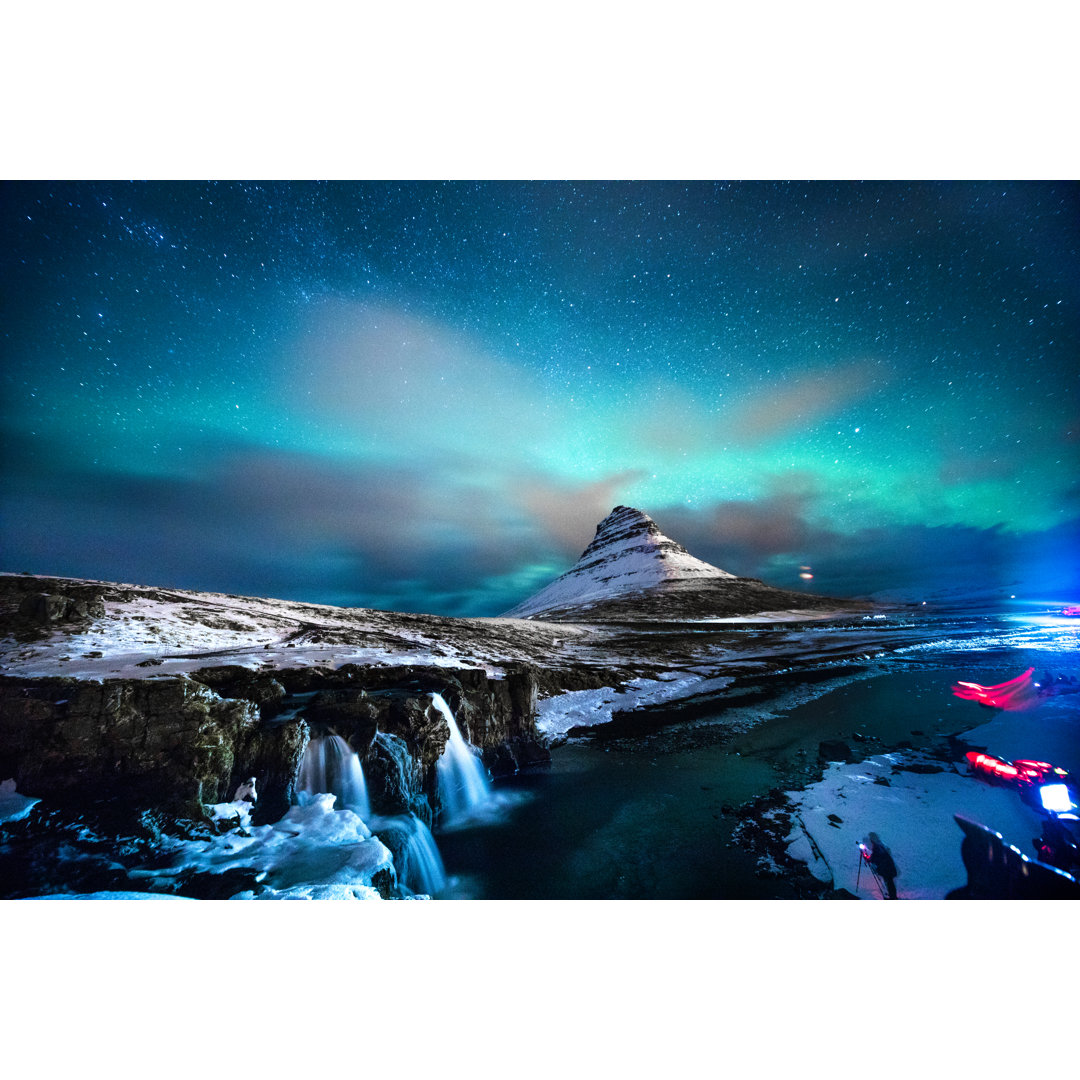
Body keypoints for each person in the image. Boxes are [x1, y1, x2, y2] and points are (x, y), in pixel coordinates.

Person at [866, 832, 899, 899]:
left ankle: (893, 898)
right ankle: (892, 896)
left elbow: (877, 856)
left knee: (889, 883)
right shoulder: (879, 844)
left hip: (886, 868)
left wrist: (869, 859)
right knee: (889, 882)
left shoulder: (877, 846)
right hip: (887, 866)